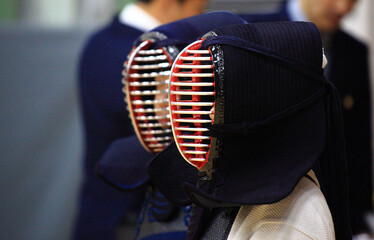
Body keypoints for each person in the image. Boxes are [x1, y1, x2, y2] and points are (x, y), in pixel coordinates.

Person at [148, 21, 352, 239]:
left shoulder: (292, 219)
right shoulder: (238, 183)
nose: (209, 115)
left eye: (222, 100)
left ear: (263, 103)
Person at [96, 11, 248, 239]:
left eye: (168, 88)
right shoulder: (143, 160)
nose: (158, 102)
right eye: (155, 88)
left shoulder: (246, 180)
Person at [73, 0, 208, 239]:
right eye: (198, 7)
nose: (203, 11)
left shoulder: (99, 42)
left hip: (99, 212)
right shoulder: (151, 59)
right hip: (135, 221)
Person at [240, 0, 372, 235]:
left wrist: (358, 221)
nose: (343, 8)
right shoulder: (253, 32)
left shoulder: (354, 50)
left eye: (353, 1)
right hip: (263, 209)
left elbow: (357, 145)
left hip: (333, 214)